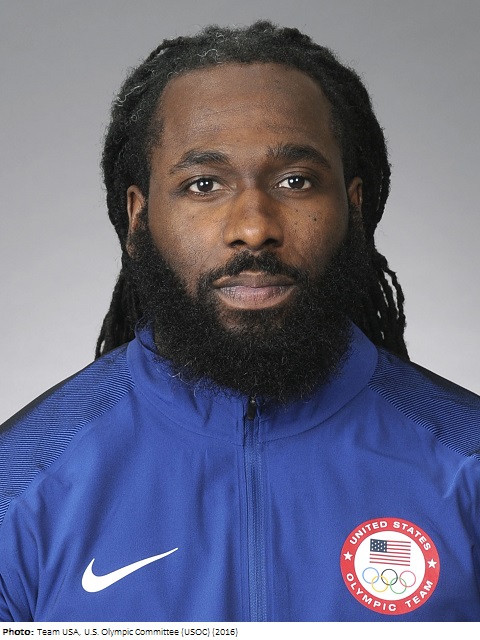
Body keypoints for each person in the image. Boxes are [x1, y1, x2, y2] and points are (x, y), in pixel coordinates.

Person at [0, 20, 479, 623]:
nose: (254, 228)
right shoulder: (19, 483)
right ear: (138, 218)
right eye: (204, 184)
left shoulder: (467, 462)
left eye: (295, 181)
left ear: (355, 206)